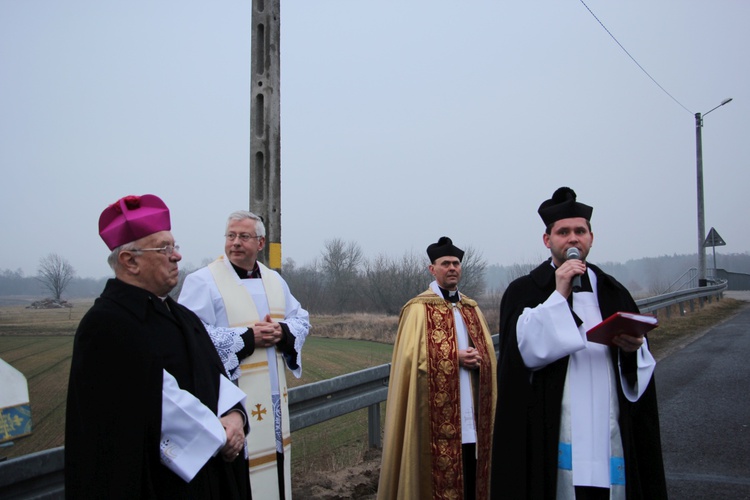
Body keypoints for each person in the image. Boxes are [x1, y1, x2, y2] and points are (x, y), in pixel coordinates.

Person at [65, 194, 251, 499]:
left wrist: (235, 416)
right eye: (164, 248)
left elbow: (216, 377)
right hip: (157, 485)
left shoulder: (181, 316)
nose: (176, 256)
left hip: (213, 472)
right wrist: (221, 434)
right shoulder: (106, 326)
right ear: (130, 261)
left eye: (174, 246)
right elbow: (156, 403)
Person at [491, 187, 667, 499]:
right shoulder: (526, 291)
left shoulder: (614, 292)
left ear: (591, 237)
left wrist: (632, 349)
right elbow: (524, 355)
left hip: (608, 430)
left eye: (580, 231)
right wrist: (559, 293)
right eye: (563, 232)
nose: (573, 239)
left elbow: (640, 372)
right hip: (552, 431)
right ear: (548, 240)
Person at [178, 210, 310, 500]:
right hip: (230, 407)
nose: (236, 243)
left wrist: (282, 332)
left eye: (244, 237)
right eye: (231, 236)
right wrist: (249, 338)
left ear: (260, 243)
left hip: (273, 403)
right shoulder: (202, 282)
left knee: (274, 476)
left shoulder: (275, 281)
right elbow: (191, 337)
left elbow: (300, 319)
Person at [378, 237, 497, 500]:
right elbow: (408, 359)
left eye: (456, 263)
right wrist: (454, 358)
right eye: (445, 264)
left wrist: (481, 360)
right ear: (433, 269)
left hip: (470, 411)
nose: (452, 268)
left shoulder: (471, 308)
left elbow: (488, 354)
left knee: (470, 470)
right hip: (431, 415)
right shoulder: (418, 309)